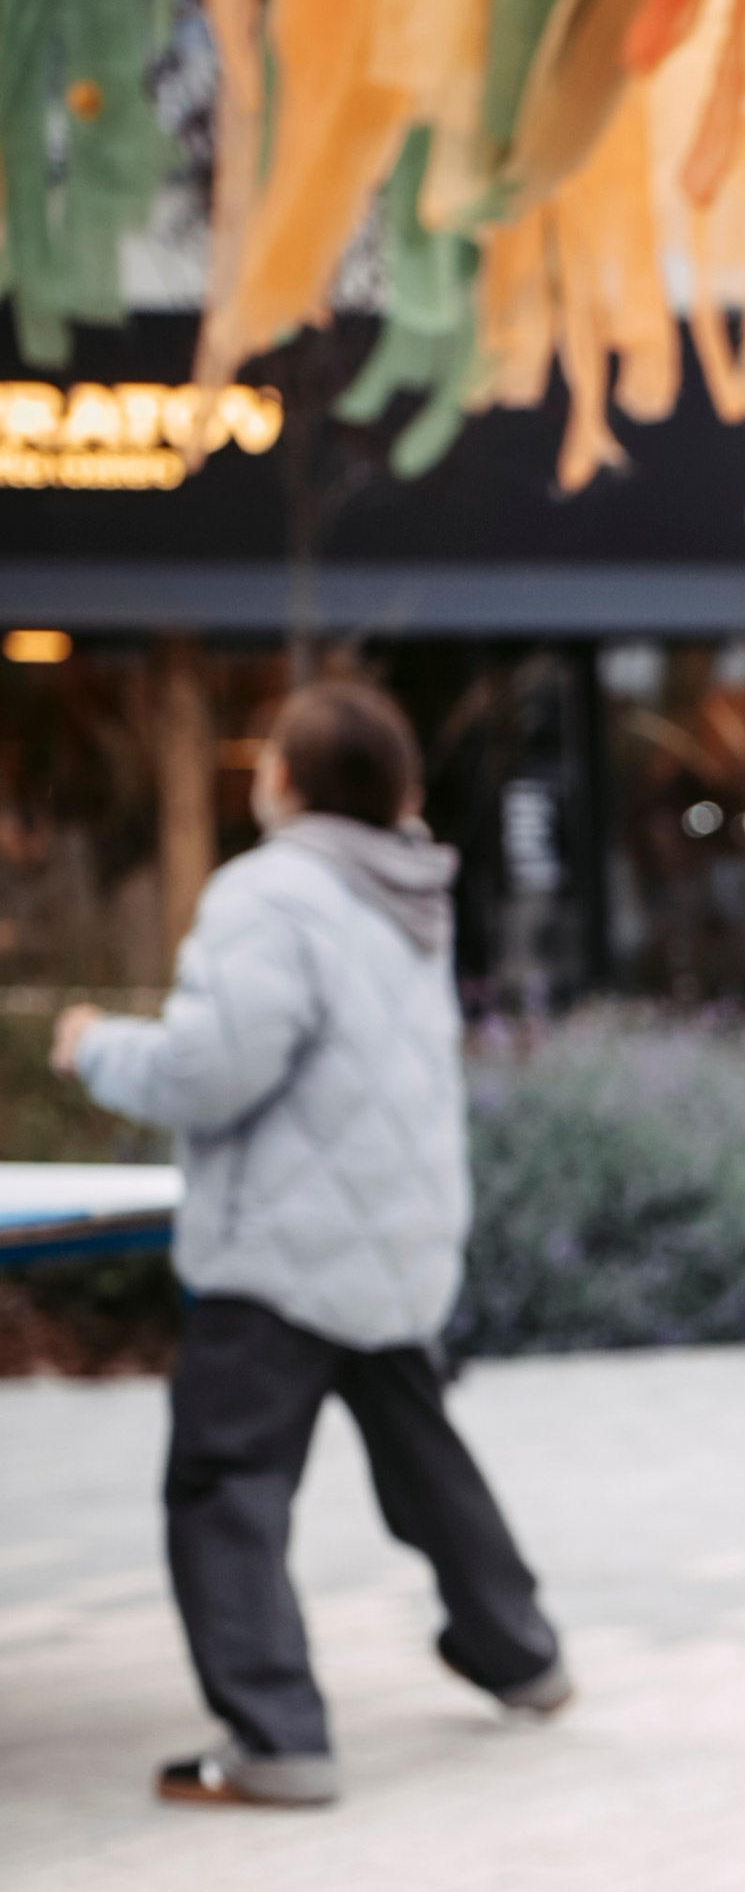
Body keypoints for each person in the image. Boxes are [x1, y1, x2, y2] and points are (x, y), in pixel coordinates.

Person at [51, 679, 570, 1803]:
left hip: (283, 1251)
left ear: (283, 779)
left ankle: (277, 1737)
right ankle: (519, 1654)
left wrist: (94, 1048)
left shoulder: (272, 893)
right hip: (396, 1236)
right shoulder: (410, 893)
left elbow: (208, 1069)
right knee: (425, 1462)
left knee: (223, 1481)